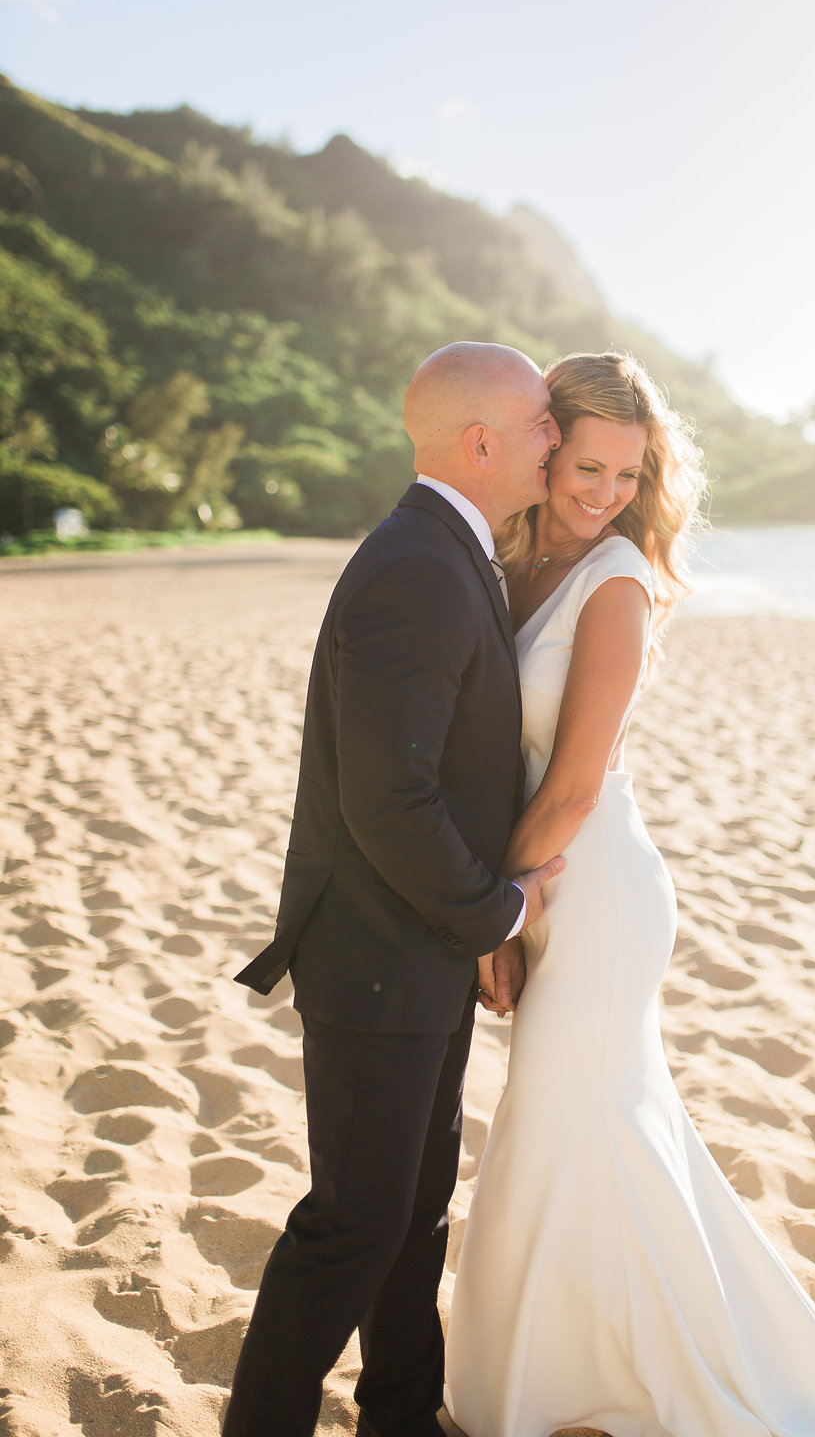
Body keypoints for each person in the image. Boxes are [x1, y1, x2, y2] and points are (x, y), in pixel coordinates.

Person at [444, 351, 815, 1437]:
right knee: (582, 1130)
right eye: (587, 465)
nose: (604, 492)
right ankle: (566, 1376)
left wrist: (496, 912)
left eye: (627, 474)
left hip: (587, 886)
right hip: (546, 879)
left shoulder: (616, 580)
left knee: (578, 1126)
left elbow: (569, 786)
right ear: (546, 443)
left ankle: (613, 1385)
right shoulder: (514, 558)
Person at [224, 342, 565, 1437]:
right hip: (375, 960)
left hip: (415, 951)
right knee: (354, 1224)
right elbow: (389, 802)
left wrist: (469, 929)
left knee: (410, 1214)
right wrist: (500, 914)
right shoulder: (417, 565)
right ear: (480, 443)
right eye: (540, 427)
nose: (554, 439)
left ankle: (402, 1418)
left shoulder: (450, 552)